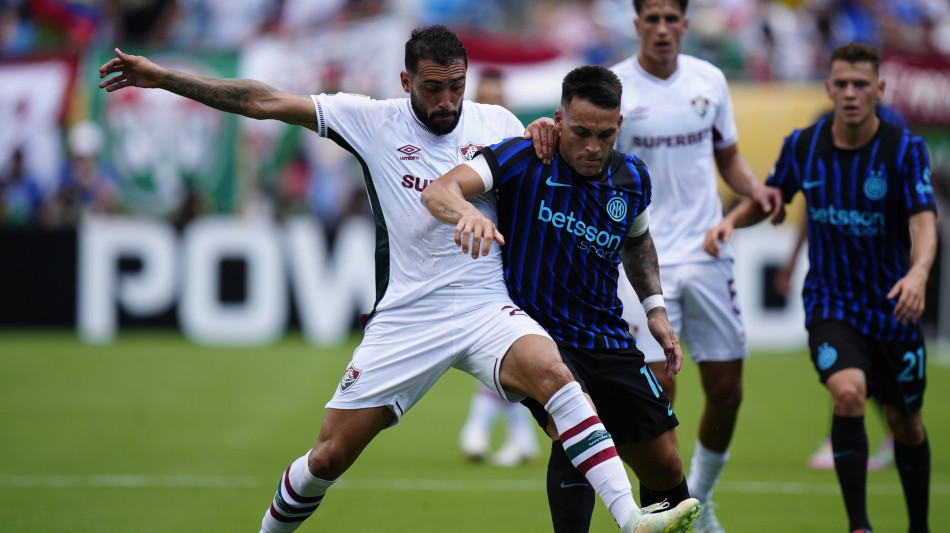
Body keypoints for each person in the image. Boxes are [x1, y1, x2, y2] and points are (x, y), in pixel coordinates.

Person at [98, 25, 696, 533]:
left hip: (487, 304)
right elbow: (263, 100)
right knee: (328, 457)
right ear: (406, 81)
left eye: (456, 86)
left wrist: (547, 128)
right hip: (409, 314)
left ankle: (630, 519)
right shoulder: (370, 119)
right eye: (433, 88)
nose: (447, 101)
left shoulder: (496, 120)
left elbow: (552, 151)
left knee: (556, 375)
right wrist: (165, 78)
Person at [422, 64, 701, 533]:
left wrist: (655, 310)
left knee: (666, 466)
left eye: (605, 135)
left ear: (619, 125)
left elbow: (637, 242)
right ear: (559, 119)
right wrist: (467, 213)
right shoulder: (524, 158)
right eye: (581, 132)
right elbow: (440, 189)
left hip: (607, 337)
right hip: (536, 336)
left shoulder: (632, 178)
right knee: (574, 419)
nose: (592, 146)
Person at [705, 41, 936, 533]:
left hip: (893, 306)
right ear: (829, 88)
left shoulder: (904, 149)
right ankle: (859, 526)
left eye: (861, 84)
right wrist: (730, 222)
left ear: (879, 89)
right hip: (831, 303)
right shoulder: (803, 146)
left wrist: (918, 273)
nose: (851, 93)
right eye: (842, 84)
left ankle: (919, 526)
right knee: (848, 392)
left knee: (906, 423)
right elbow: (772, 198)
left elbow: (923, 221)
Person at [610, 1, 783, 531]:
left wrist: (754, 190)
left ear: (685, 24)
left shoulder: (709, 80)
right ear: (637, 24)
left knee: (727, 390)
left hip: (708, 253)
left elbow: (727, 156)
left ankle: (699, 501)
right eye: (652, 18)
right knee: (656, 391)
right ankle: (670, 505)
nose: (662, 28)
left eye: (671, 18)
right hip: (642, 257)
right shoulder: (616, 85)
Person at [776, 103, 908, 473]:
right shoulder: (819, 131)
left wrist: (913, 270)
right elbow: (810, 206)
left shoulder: (893, 129)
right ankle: (844, 438)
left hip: (879, 280)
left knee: (875, 367)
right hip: (834, 286)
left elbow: (912, 206)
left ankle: (897, 432)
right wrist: (792, 259)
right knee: (844, 365)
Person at [458, 66, 540, 467]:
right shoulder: (461, 147)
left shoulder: (521, 145)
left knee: (507, 351)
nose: (492, 105)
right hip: (479, 258)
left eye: (498, 99)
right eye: (485, 98)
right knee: (502, 354)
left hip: (516, 260)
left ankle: (479, 430)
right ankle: (517, 437)